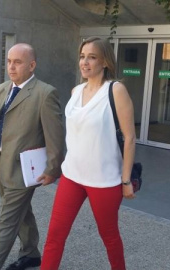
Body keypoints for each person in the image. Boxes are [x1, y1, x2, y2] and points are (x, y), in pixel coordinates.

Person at [41, 37, 136, 270]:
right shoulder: (76, 90)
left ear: (104, 62)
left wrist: (126, 180)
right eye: (82, 56)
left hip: (104, 180)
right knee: (55, 235)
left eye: (92, 57)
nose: (85, 62)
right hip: (72, 176)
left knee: (109, 237)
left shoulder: (116, 90)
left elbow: (130, 138)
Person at [0, 43, 64, 270]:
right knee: (22, 212)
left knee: (6, 222)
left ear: (32, 65)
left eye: (18, 62)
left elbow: (55, 136)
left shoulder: (45, 93)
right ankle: (31, 253)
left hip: (24, 168)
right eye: (9, 61)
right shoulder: (2, 88)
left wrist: (53, 169)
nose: (11, 67)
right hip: (0, 161)